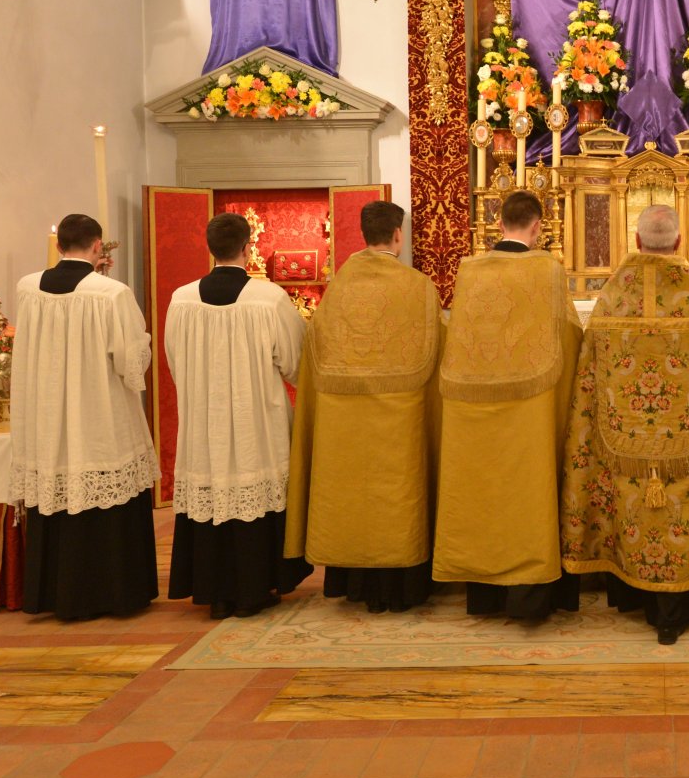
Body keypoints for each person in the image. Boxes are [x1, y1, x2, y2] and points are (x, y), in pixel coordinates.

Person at [560, 206, 689, 643]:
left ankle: (640, 595)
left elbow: (590, 376)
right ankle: (686, 602)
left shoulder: (613, 295)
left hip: (625, 445)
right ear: (678, 242)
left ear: (636, 242)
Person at [285, 201, 442, 614]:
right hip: (401, 420)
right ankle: (402, 586)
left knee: (351, 493)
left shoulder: (338, 289)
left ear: (363, 234)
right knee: (398, 495)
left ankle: (353, 583)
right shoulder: (418, 287)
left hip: (345, 421)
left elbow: (314, 349)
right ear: (397, 235)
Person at [434, 191, 583, 619]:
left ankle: (484, 595)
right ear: (537, 226)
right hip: (532, 410)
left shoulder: (469, 270)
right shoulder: (548, 269)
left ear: (499, 224)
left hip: (476, 409)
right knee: (528, 494)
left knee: (483, 492)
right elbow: (568, 331)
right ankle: (531, 597)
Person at [11, 213, 158, 620]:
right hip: (98, 418)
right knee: (107, 497)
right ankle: (113, 595)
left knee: (58, 492)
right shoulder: (111, 293)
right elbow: (131, 363)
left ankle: (56, 595)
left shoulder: (28, 288)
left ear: (59, 246)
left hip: (47, 421)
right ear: (97, 246)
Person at [165, 213, 311, 620]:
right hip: (255, 423)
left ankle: (215, 590)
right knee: (254, 492)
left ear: (209, 248)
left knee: (212, 492)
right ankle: (255, 587)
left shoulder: (181, 299)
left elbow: (175, 361)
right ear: (249, 247)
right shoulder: (269, 299)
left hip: (204, 423)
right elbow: (295, 362)